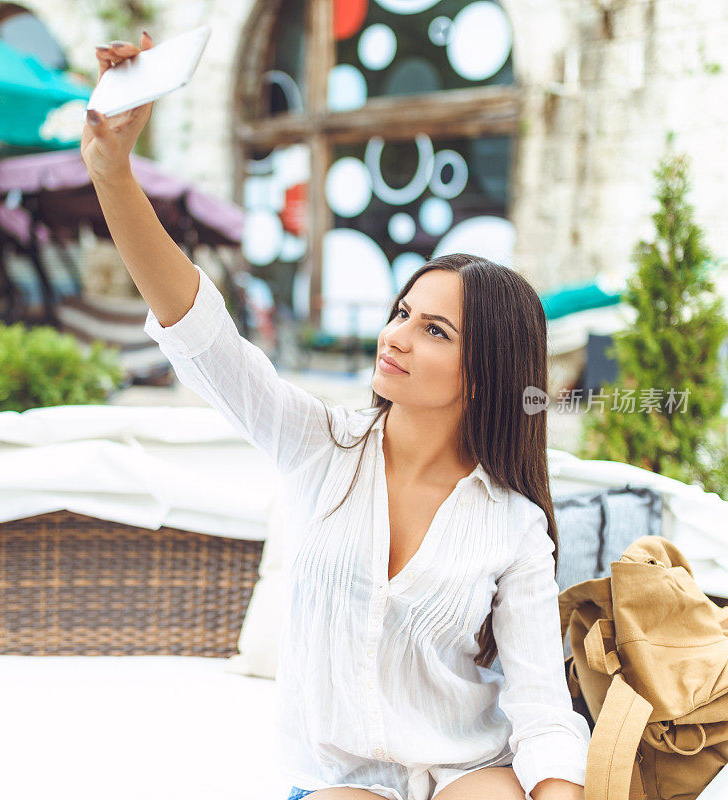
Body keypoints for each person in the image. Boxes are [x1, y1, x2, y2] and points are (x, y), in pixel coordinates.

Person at [81, 36, 591, 800]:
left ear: (485, 378)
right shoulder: (318, 446)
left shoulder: (514, 525)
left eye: (435, 331)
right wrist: (111, 173)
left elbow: (543, 714)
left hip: (467, 772)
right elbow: (200, 331)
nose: (396, 336)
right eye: (402, 313)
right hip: (340, 781)